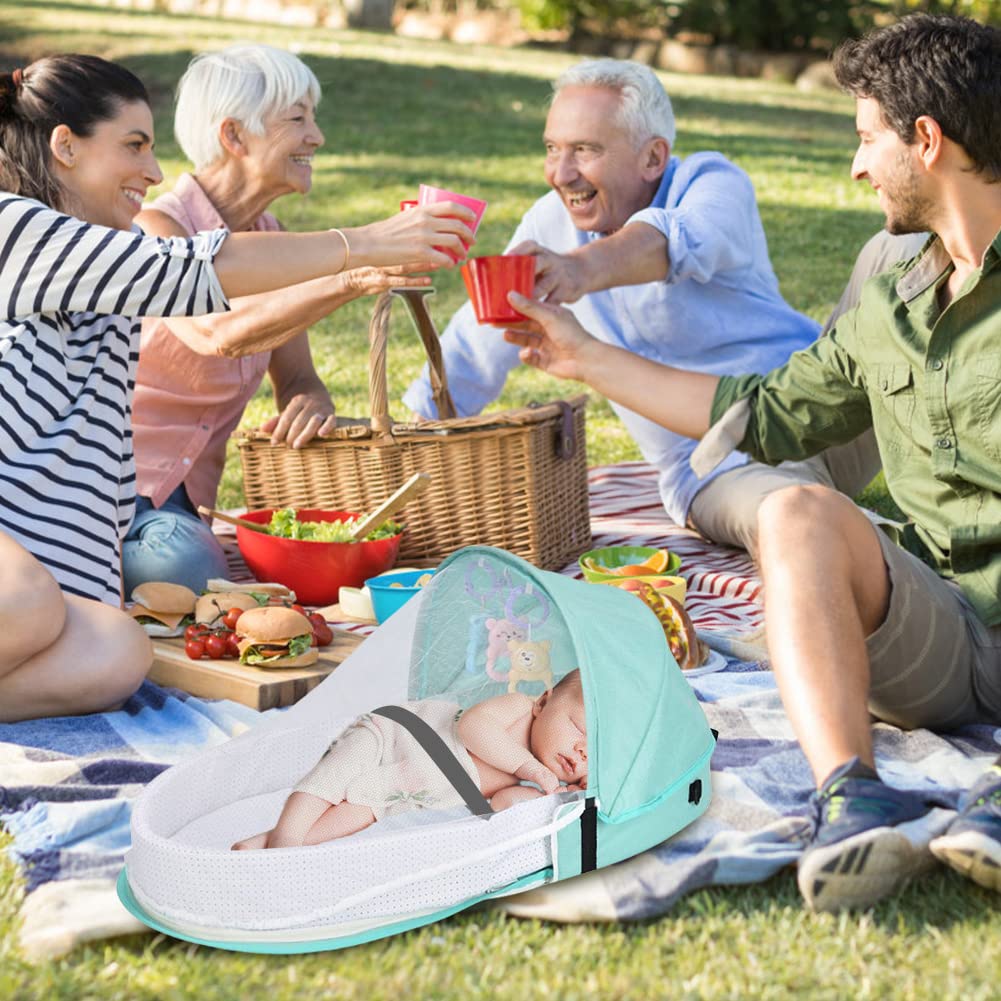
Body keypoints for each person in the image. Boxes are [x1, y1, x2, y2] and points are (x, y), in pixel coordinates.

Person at [501, 14, 1001, 911]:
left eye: (866, 139)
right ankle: (853, 798)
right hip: (949, 630)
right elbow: (761, 412)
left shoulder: (713, 188)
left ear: (925, 141)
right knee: (793, 513)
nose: (854, 166)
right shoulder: (894, 295)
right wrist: (582, 356)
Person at [0, 54, 476, 723]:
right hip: (22, 578)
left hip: (53, 580)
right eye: (134, 145)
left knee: (120, 651)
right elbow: (193, 275)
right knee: (29, 598)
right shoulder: (15, 227)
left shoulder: (107, 263)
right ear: (66, 146)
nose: (153, 171)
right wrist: (367, 244)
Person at [404, 58, 879, 556]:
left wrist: (578, 269)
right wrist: (413, 437)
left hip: (821, 409)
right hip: (719, 466)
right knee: (797, 521)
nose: (560, 174)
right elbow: (476, 340)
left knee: (892, 251)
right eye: (552, 149)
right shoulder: (549, 224)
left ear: (653, 158)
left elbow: (673, 241)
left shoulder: (712, 184)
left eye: (585, 150)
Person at [123, 46, 431, 594]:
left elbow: (297, 378)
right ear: (234, 136)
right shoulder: (156, 229)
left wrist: (309, 400)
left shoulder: (271, 236)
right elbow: (216, 331)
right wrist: (352, 274)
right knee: (183, 572)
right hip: (119, 489)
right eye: (297, 119)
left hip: (188, 503)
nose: (317, 137)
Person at [233, 669, 588, 849]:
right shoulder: (520, 708)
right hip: (396, 736)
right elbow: (474, 727)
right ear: (544, 702)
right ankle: (285, 844)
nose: (583, 750)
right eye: (579, 727)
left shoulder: (535, 782)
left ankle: (265, 843)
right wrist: (529, 766)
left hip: (401, 790)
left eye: (594, 753)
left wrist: (552, 798)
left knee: (355, 815)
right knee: (332, 780)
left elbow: (502, 805)